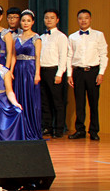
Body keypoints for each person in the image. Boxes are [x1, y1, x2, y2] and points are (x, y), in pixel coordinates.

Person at [67, 9, 107, 141]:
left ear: (90, 19)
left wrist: (101, 73)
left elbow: (103, 55)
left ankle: (94, 130)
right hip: (78, 72)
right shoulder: (72, 37)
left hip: (93, 71)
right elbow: (69, 56)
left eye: (86, 18)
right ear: (77, 20)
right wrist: (69, 74)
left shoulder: (98, 35)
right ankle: (80, 130)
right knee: (79, 103)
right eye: (80, 18)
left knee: (93, 102)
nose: (83, 20)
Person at [39, 8, 69, 138]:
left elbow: (63, 56)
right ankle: (47, 126)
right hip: (42, 70)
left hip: (54, 71)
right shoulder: (41, 37)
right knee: (45, 101)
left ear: (57, 20)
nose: (49, 20)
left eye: (52, 18)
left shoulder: (61, 37)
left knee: (57, 102)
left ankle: (59, 128)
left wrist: (59, 73)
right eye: (46, 18)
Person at [14, 9, 42, 140]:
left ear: (33, 22)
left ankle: (31, 128)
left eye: (28, 21)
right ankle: (21, 129)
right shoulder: (16, 38)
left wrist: (37, 73)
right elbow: (13, 56)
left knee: (30, 98)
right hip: (18, 69)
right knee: (19, 96)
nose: (25, 23)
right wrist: (11, 71)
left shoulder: (36, 38)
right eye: (23, 20)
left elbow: (38, 57)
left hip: (30, 69)